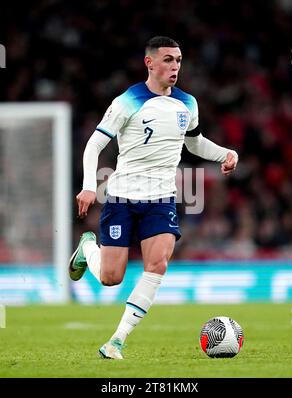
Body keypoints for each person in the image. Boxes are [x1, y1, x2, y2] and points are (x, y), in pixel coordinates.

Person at [69, 36, 238, 359]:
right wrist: (90, 185)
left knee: (157, 264)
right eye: (167, 60)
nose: (175, 66)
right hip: (121, 196)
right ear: (150, 63)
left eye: (178, 60)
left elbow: (194, 143)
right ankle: (87, 248)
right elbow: (94, 145)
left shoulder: (187, 103)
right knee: (110, 278)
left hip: (161, 198)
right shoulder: (128, 101)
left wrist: (224, 153)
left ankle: (116, 341)